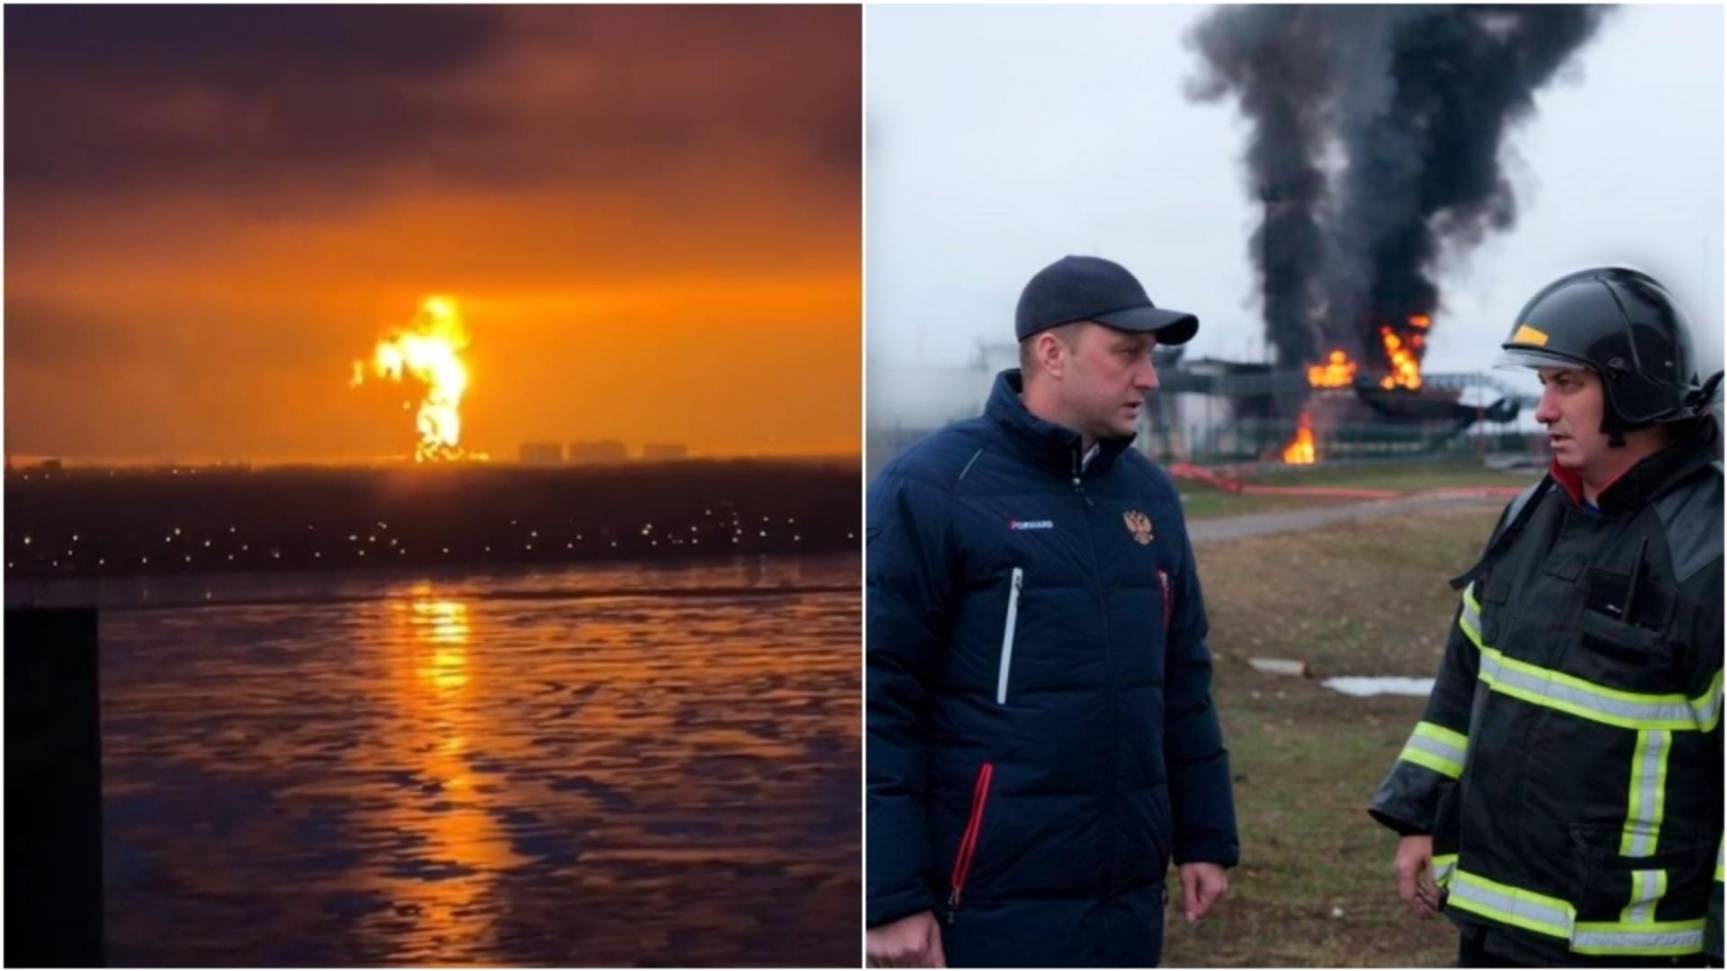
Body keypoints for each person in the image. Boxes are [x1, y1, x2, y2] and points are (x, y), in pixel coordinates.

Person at [866, 255, 1238, 968]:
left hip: (1122, 904)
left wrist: (1203, 834)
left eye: (1151, 358)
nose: (1148, 378)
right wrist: (887, 893)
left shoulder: (1149, 497)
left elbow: (1181, 678)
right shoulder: (932, 488)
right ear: (1050, 353)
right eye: (1126, 354)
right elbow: (876, 698)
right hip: (983, 904)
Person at [1370, 267, 1724, 967]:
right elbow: (1464, 676)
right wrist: (1417, 812)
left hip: (1628, 946)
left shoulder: (1707, 550)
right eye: (1541, 386)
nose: (1542, 410)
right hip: (1491, 926)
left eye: (1566, 384)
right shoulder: (1529, 515)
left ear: (1631, 389)